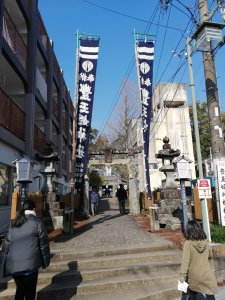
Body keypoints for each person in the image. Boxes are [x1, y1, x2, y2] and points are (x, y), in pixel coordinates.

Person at [1, 199, 50, 300]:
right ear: (34, 209)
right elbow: (44, 245)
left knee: (19, 291)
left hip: (15, 267)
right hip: (30, 267)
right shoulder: (37, 223)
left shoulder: (14, 224)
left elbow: (5, 248)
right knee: (30, 293)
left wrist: (3, 266)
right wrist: (45, 263)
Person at [179, 220, 217, 300]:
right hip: (207, 274)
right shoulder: (206, 242)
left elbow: (185, 262)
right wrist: (212, 271)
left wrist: (182, 276)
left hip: (194, 275)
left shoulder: (188, 244)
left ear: (189, 230)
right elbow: (210, 258)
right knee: (210, 295)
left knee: (192, 295)